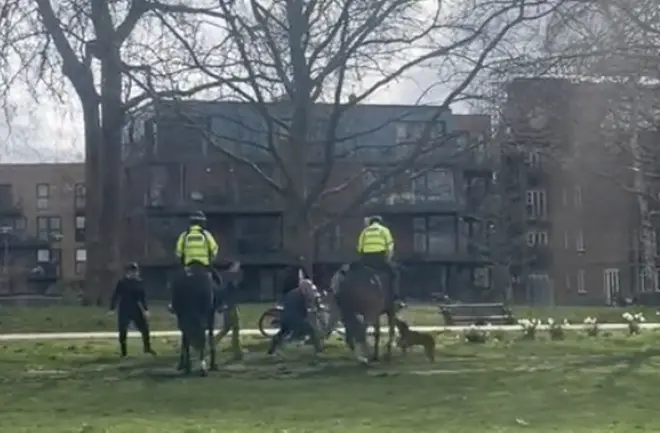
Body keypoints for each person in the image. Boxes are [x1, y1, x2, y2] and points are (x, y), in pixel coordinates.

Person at [108, 262, 155, 357]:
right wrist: (112, 308)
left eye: (136, 271)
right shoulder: (122, 282)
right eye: (133, 271)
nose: (135, 273)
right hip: (124, 308)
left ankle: (147, 347)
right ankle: (123, 351)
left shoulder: (139, 282)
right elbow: (116, 295)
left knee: (145, 328)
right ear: (129, 272)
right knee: (123, 330)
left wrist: (146, 310)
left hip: (135, 308)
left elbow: (142, 297)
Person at [356, 215, 403, 308]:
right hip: (380, 257)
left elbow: (359, 248)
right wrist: (388, 258)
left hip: (366, 259)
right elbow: (390, 246)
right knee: (394, 274)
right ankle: (395, 298)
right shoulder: (384, 230)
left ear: (370, 223)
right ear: (379, 222)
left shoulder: (364, 231)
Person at [174, 210, 222, 298]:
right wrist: (212, 259)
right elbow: (215, 250)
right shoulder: (206, 235)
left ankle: (173, 305)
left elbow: (178, 253)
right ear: (202, 223)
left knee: (175, 283)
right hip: (204, 267)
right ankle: (221, 305)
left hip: (188, 267)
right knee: (219, 282)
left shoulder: (184, 235)